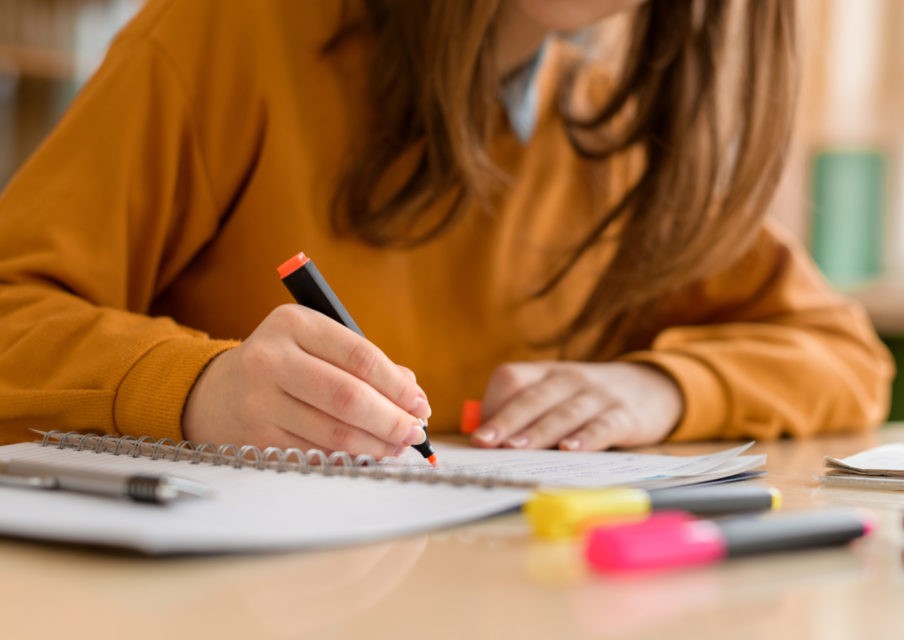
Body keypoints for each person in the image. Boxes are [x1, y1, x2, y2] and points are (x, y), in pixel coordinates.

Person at [0, 0, 893, 457]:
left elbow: (846, 356)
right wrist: (200, 390)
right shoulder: (231, 32)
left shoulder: (619, 143)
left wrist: (664, 389)